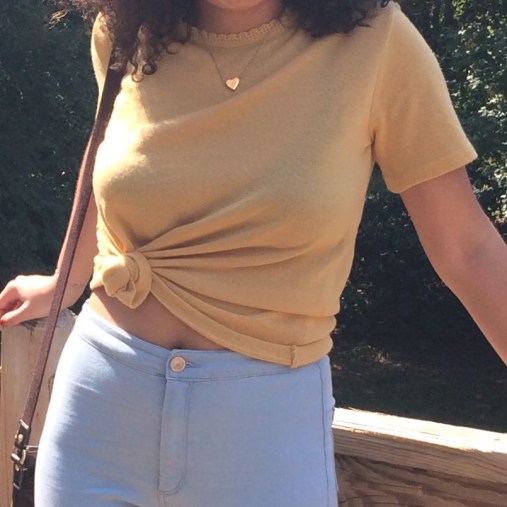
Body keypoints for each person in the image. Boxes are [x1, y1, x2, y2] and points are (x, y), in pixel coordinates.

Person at [1, 0, 506, 505]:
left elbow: (467, 249)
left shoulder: (378, 41)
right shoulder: (128, 29)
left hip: (266, 434)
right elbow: (107, 162)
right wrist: (67, 280)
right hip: (100, 411)